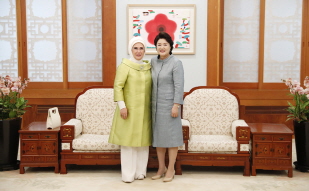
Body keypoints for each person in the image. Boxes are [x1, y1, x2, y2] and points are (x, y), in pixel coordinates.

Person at [108, 37, 152, 183]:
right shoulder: (124, 66)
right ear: (130, 49)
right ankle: (128, 175)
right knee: (128, 142)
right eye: (135, 48)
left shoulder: (148, 67)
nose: (138, 51)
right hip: (128, 110)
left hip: (145, 110)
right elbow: (118, 86)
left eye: (141, 48)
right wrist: (122, 106)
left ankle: (140, 172)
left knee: (143, 142)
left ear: (145, 50)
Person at [150, 32, 184, 182]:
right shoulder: (152, 61)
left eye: (165, 44)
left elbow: (179, 86)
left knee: (171, 138)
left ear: (171, 46)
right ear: (155, 47)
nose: (162, 47)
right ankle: (161, 167)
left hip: (170, 106)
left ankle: (171, 169)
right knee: (158, 138)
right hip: (155, 107)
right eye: (159, 45)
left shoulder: (176, 63)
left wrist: (176, 105)